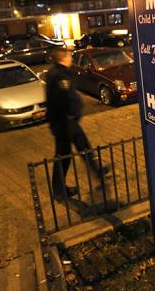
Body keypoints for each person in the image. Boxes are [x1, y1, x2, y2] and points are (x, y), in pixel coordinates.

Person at [46, 47, 110, 198]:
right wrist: (73, 115)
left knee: (81, 149)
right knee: (64, 156)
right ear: (63, 58)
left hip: (65, 122)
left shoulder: (55, 72)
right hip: (65, 123)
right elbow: (64, 99)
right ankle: (59, 190)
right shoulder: (60, 76)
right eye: (69, 56)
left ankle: (97, 172)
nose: (71, 58)